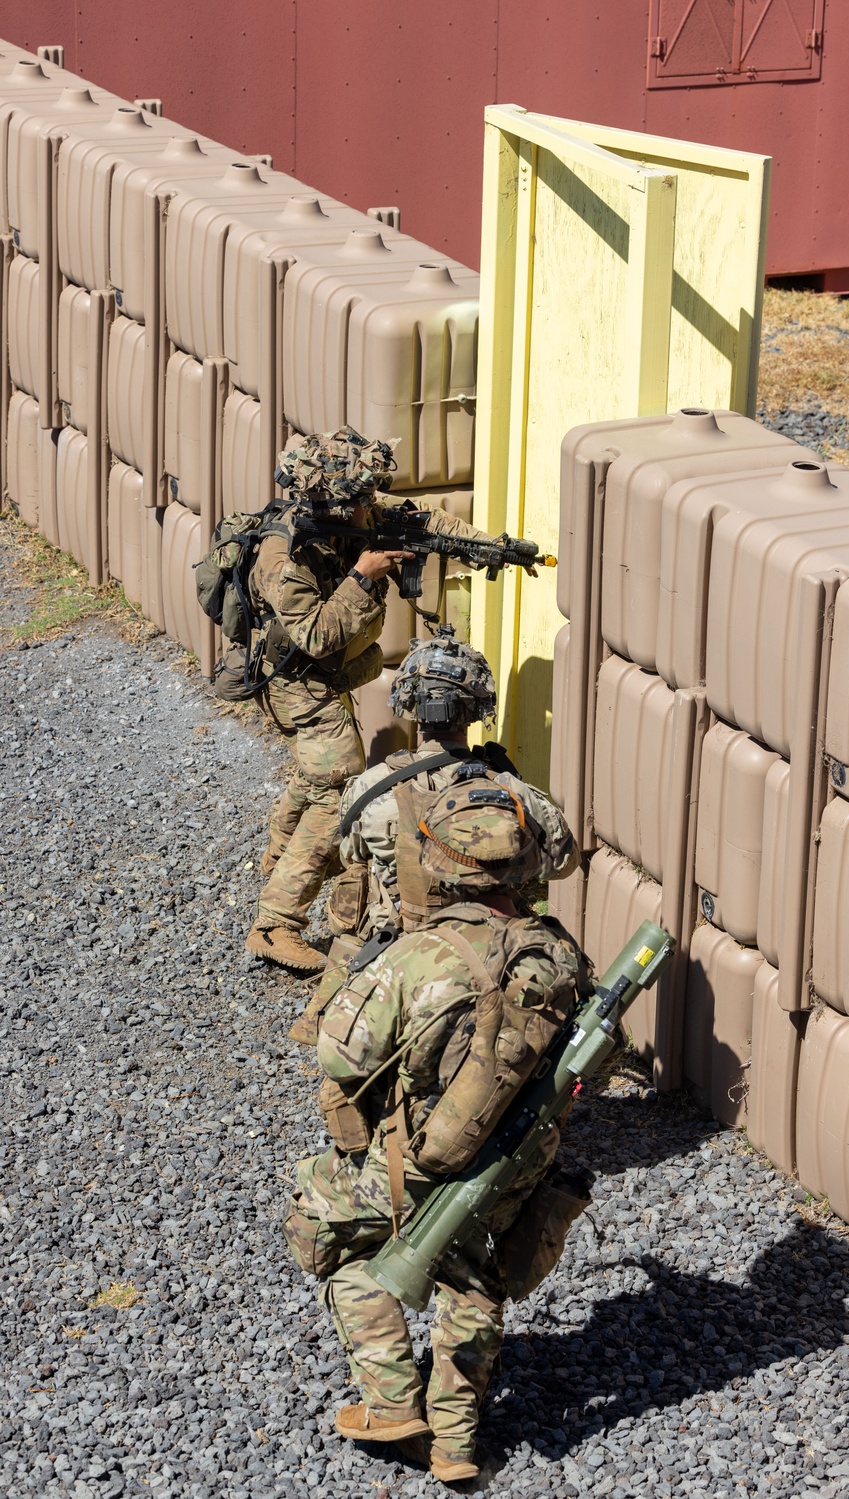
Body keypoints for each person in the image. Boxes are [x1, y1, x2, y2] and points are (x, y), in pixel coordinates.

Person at [281, 782, 589, 1484]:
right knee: (474, 1274)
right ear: (523, 867)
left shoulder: (417, 957)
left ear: (443, 864)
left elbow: (341, 1054)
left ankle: (392, 1400)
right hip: (515, 1169)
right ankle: (456, 1442)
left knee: (323, 1230)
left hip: (417, 1163)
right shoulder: (559, 954)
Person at [244, 428, 497, 973]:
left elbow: (422, 520)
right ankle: (276, 922)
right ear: (330, 507)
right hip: (297, 679)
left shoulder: (353, 510)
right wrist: (363, 576)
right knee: (338, 783)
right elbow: (315, 635)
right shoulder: (283, 558)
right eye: (358, 505)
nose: (368, 511)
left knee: (315, 778)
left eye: (367, 500)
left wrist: (485, 547)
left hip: (328, 673)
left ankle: (279, 856)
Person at [336, 626, 581, 936]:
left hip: (394, 948)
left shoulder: (370, 787)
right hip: (484, 947)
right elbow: (563, 863)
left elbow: (351, 854)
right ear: (478, 707)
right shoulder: (509, 790)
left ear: (408, 703)